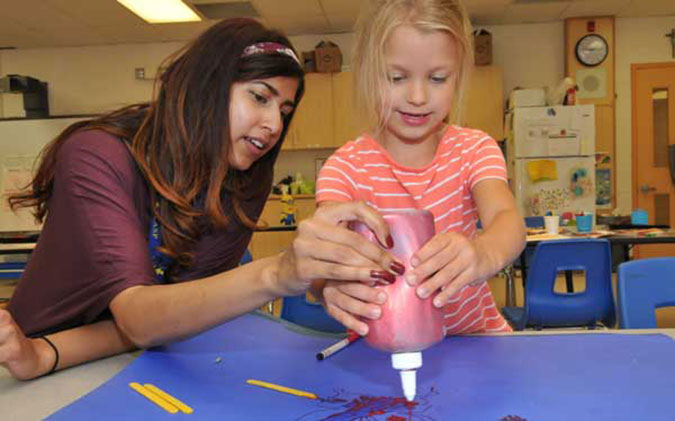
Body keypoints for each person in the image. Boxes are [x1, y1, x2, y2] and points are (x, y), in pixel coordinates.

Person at [0, 18, 402, 380]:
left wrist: (45, 354)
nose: (275, 124)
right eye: (259, 98)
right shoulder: (98, 155)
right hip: (35, 366)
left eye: (285, 109)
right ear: (205, 86)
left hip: (125, 355)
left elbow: (167, 320)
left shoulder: (243, 182)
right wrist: (276, 273)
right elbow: (140, 315)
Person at [314, 0, 526, 336]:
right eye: (397, 77)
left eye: (438, 78)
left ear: (459, 77)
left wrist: (482, 253)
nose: (417, 95)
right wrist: (326, 285)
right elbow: (322, 257)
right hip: (384, 347)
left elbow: (507, 219)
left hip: (476, 340)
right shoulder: (345, 169)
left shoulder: (473, 149)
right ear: (368, 73)